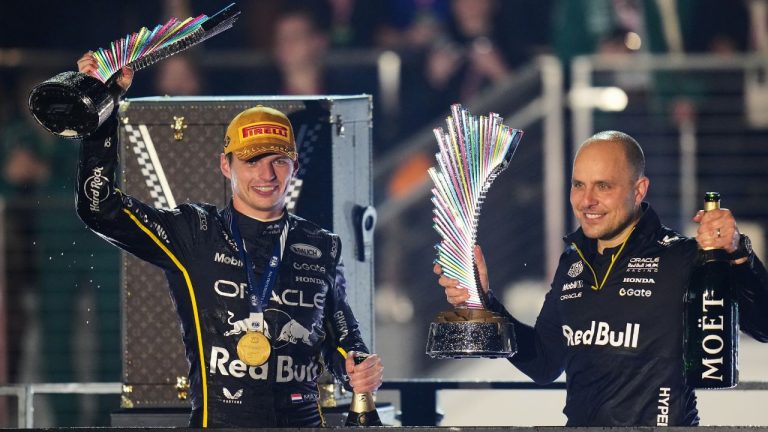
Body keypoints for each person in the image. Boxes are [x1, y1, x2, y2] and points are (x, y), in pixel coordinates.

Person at [75, 53, 383, 428]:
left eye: (277, 160)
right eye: (252, 161)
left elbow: (340, 333)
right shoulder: (194, 232)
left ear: (294, 167)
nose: (266, 174)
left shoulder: (320, 244)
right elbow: (99, 208)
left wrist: (357, 364)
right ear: (226, 165)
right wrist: (101, 110)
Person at [435, 130, 768, 426]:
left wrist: (739, 255)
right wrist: (483, 300)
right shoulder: (572, 262)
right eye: (578, 185)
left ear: (639, 190)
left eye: (603, 186)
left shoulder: (682, 257)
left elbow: (764, 326)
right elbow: (544, 363)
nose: (587, 201)